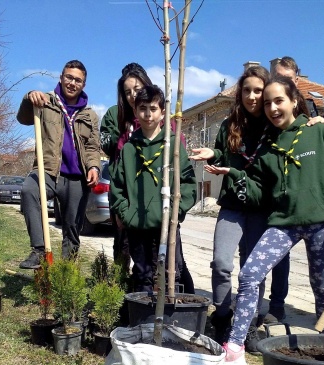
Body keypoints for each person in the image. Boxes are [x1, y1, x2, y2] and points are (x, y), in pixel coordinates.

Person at [219, 76, 324, 365]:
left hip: (321, 221)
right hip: (283, 223)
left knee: (323, 288)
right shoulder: (268, 147)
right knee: (249, 275)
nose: (272, 107)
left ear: (294, 101)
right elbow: (260, 189)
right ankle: (235, 347)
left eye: (279, 100)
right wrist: (235, 175)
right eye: (267, 103)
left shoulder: (320, 133)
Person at [190, 65, 288, 353]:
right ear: (240, 93)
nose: (253, 96)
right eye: (247, 90)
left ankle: (249, 325)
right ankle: (222, 316)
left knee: (253, 270)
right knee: (221, 263)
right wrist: (214, 152)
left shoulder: (274, 125)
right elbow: (223, 151)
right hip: (232, 204)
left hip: (261, 207)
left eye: (259, 90)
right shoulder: (230, 123)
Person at [109, 85, 197, 293]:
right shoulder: (129, 148)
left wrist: (178, 210)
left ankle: (167, 320)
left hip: (167, 225)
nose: (148, 114)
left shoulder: (173, 146)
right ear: (136, 112)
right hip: (137, 226)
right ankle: (145, 323)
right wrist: (126, 214)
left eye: (153, 108)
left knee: (170, 274)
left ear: (162, 112)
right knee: (142, 274)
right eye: (143, 108)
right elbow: (117, 186)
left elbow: (188, 184)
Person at [16, 60, 103, 268]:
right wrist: (29, 98)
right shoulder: (45, 102)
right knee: (29, 190)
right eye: (69, 77)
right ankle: (38, 250)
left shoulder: (90, 115)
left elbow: (92, 147)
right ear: (62, 78)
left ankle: (67, 271)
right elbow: (23, 118)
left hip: (76, 178)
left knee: (72, 228)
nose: (72, 83)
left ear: (84, 84)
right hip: (49, 172)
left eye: (78, 80)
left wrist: (94, 167)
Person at [100, 63, 153, 269]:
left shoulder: (155, 114)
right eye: (127, 92)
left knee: (149, 247)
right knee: (122, 243)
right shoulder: (115, 114)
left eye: (137, 90)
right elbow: (106, 144)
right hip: (122, 191)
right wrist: (124, 132)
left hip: (149, 190)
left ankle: (146, 287)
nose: (132, 96)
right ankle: (120, 290)